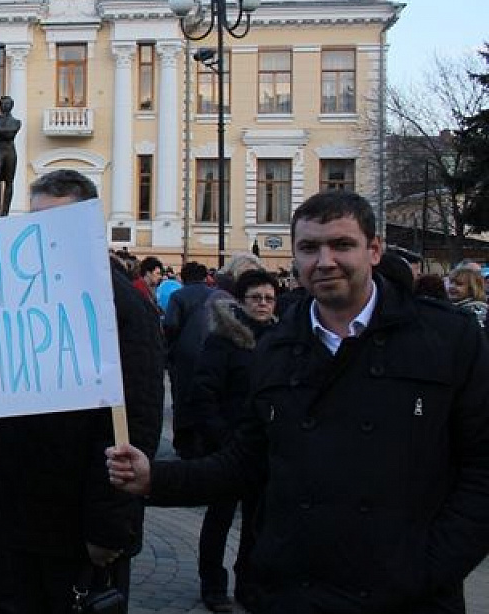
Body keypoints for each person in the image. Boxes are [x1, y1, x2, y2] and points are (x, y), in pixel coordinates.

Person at [108, 190, 489, 614]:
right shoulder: (275, 347)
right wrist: (153, 478)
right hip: (295, 591)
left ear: (374, 250)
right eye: (309, 248)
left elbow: (481, 469)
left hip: (409, 596)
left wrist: (432, 568)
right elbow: (245, 462)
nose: (325, 261)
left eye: (341, 244)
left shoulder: (447, 339)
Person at [0, 169, 164, 613]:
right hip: (13, 513)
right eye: (35, 221)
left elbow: (135, 422)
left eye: (56, 222)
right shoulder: (25, 297)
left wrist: (109, 526)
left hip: (76, 527)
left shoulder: (123, 307)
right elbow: (2, 400)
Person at [189, 269, 280, 612]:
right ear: (241, 301)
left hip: (264, 446)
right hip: (227, 446)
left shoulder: (279, 340)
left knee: (256, 521)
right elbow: (204, 393)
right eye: (256, 297)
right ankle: (212, 584)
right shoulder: (223, 340)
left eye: (269, 298)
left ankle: (248, 583)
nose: (263, 304)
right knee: (220, 518)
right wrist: (222, 438)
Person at [163, 261, 213, 459]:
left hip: (184, 356)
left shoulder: (178, 296)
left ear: (183, 278)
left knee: (182, 400)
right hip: (211, 353)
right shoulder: (215, 295)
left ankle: (184, 444)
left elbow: (170, 324)